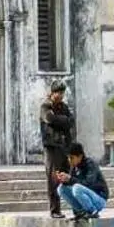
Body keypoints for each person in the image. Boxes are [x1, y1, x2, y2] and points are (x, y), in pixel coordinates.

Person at [39, 83, 74, 218]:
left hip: (64, 146)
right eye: (58, 92)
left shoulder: (63, 107)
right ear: (52, 93)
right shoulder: (45, 106)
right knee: (54, 179)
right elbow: (50, 118)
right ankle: (55, 210)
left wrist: (62, 120)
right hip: (52, 147)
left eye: (62, 93)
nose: (60, 95)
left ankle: (75, 207)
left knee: (67, 177)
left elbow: (71, 121)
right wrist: (63, 120)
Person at [52, 142, 110, 220]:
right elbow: (72, 183)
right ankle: (80, 212)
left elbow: (88, 184)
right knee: (61, 189)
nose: (69, 160)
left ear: (80, 156)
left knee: (77, 188)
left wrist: (70, 179)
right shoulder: (74, 167)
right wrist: (63, 180)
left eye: (72, 158)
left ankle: (92, 211)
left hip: (98, 198)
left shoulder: (90, 164)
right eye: (68, 158)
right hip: (85, 195)